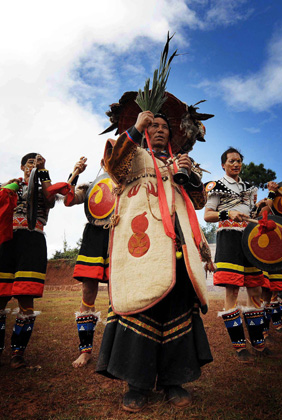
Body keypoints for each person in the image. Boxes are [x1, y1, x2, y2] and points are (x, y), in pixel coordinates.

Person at [96, 111, 213, 412]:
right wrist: (136, 127)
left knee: (177, 308)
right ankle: (136, 383)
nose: (159, 130)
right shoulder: (132, 154)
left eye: (164, 126)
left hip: (177, 246)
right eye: (153, 125)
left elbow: (199, 202)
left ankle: (174, 381)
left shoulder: (182, 161)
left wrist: (191, 174)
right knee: (140, 303)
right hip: (141, 244)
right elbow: (112, 165)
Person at [204, 147, 278, 363]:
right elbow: (208, 215)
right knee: (233, 291)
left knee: (255, 289)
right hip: (228, 241)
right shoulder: (217, 186)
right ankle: (239, 348)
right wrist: (228, 213)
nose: (235, 164)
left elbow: (252, 215)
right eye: (231, 161)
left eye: (238, 161)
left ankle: (259, 344)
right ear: (223, 165)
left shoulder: (249, 188)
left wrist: (265, 203)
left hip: (250, 242)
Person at [0, 153, 55, 368]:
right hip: (7, 240)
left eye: (37, 162)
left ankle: (17, 354)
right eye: (30, 162)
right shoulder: (7, 186)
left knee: (26, 298)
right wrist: (8, 187)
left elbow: (51, 199)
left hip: (32, 241)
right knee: (0, 296)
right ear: (22, 166)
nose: (33, 165)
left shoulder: (44, 189)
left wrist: (43, 172)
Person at [64, 157, 112, 368]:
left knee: (117, 295)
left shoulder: (130, 184)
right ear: (104, 160)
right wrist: (75, 173)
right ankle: (85, 351)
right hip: (93, 237)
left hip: (118, 236)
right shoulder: (92, 185)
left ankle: (114, 351)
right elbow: (69, 199)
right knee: (87, 292)